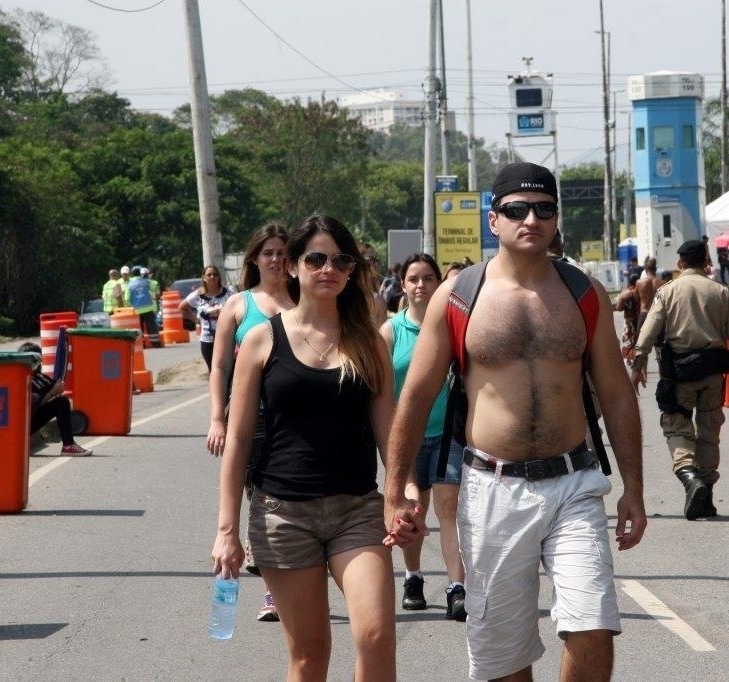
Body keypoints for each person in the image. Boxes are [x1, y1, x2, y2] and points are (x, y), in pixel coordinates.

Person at [383, 162, 646, 682]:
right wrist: (396, 490)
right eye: (517, 209)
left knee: (592, 623)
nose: (532, 219)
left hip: (574, 483)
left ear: (556, 219)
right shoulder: (459, 296)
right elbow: (414, 396)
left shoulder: (585, 293)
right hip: (491, 487)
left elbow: (617, 396)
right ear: (493, 219)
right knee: (503, 653)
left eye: (544, 209)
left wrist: (633, 490)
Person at [211, 214, 396, 680]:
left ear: (351, 270)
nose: (327, 268)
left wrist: (403, 493)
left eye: (339, 260)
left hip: (357, 509)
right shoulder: (260, 340)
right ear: (292, 266)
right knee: (310, 654)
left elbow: (389, 431)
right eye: (315, 258)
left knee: (375, 636)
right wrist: (227, 530)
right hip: (282, 513)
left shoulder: (370, 344)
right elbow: (236, 440)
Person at [207, 222, 295, 622]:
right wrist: (217, 419)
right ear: (255, 259)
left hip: (295, 418)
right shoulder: (239, 305)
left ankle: (281, 584)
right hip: (250, 420)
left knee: (287, 498)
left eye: (282, 252)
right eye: (268, 253)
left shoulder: (303, 301)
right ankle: (271, 584)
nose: (275, 259)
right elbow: (220, 366)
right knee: (259, 498)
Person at [631, 239, 729, 520]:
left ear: (681, 264)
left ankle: (690, 478)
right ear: (706, 261)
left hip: (680, 373)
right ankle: (705, 496)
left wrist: (639, 362)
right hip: (712, 374)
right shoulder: (721, 291)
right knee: (709, 430)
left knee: (677, 426)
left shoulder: (668, 291)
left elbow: (649, 330)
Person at [379, 253, 466, 621]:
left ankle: (456, 589)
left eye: (428, 278)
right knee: (413, 509)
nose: (421, 285)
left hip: (449, 434)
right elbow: (382, 394)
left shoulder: (452, 325)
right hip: (408, 438)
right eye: (413, 279)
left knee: (450, 510)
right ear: (403, 285)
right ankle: (413, 578)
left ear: (439, 283)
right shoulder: (390, 332)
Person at [18, 342, 92, 457]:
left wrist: (58, 388)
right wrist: (52, 392)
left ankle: (68, 445)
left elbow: (54, 387)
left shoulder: (41, 378)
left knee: (62, 402)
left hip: (33, 421)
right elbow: (31, 405)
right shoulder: (22, 380)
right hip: (20, 426)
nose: (39, 364)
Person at [179, 265, 235, 372]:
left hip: (227, 339)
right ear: (204, 278)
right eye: (209, 275)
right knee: (214, 371)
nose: (212, 277)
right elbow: (182, 308)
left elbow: (241, 307)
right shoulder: (197, 295)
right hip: (207, 340)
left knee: (229, 371)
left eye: (215, 274)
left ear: (219, 277)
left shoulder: (229, 292)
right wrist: (196, 320)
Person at [126, 266, 161, 347]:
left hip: (136, 310)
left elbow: (127, 298)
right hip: (148, 308)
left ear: (132, 274)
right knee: (151, 326)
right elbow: (155, 288)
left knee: (139, 327)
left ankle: (142, 345)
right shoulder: (147, 282)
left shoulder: (129, 285)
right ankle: (156, 343)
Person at [615, 273, 641, 347]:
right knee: (640, 344)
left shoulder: (624, 294)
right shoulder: (641, 292)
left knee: (628, 344)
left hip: (628, 321)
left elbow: (619, 308)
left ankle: (630, 356)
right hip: (639, 320)